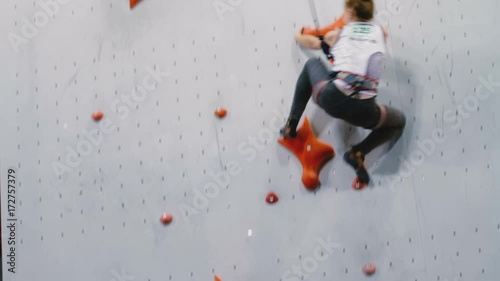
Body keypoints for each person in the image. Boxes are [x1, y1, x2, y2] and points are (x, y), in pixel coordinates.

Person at [280, 0, 406, 185]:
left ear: (349, 12)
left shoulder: (339, 33)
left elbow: (313, 43)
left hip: (332, 98)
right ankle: (358, 152)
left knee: (311, 65)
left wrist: (298, 35)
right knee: (397, 121)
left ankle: (291, 125)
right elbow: (377, 38)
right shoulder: (381, 32)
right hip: (364, 110)